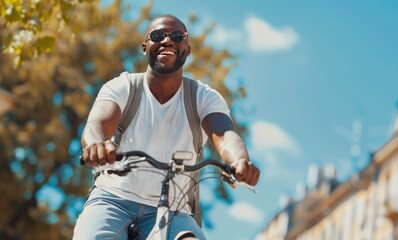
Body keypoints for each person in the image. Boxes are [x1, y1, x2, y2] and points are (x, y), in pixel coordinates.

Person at [73, 14, 260, 240]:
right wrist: (97, 146)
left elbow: (225, 135)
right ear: (145, 47)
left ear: (187, 49)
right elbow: (97, 124)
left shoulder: (203, 97)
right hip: (113, 198)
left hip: (174, 208)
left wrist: (239, 160)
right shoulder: (123, 86)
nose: (168, 41)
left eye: (177, 36)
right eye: (158, 35)